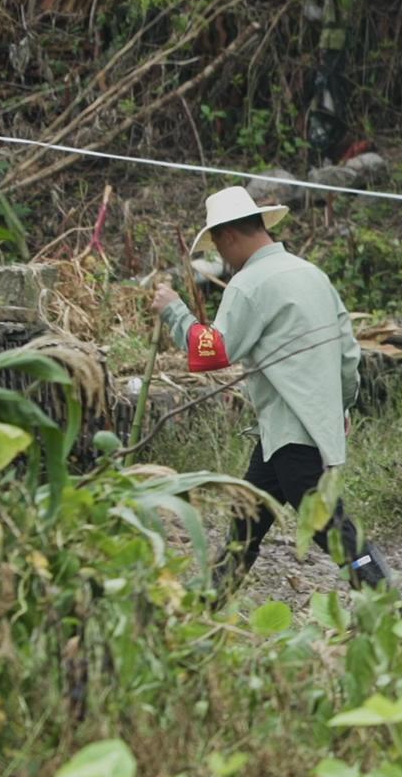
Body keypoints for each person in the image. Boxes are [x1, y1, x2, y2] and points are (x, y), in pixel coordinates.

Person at [152, 186, 389, 599]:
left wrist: (174, 309)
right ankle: (208, 604)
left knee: (332, 530)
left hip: (291, 432)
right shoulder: (311, 275)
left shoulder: (249, 285)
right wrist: (340, 408)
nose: (224, 259)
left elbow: (213, 351)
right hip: (286, 431)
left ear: (228, 236)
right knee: (247, 518)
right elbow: (349, 357)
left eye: (220, 248)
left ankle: (390, 604)